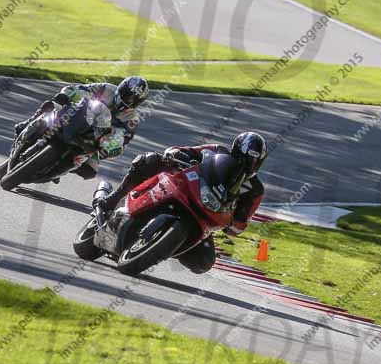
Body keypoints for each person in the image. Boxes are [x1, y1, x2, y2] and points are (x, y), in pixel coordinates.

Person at [94, 132, 268, 273]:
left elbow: (241, 222)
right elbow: (186, 151)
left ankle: (167, 246)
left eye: (254, 161)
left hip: (206, 213)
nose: (248, 164)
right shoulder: (216, 150)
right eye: (246, 158)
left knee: (204, 263)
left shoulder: (256, 190)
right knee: (149, 160)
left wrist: (236, 223)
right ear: (236, 150)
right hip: (185, 189)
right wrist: (178, 154)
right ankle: (113, 198)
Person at [14, 77, 149, 180]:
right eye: (125, 96)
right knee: (51, 105)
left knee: (90, 170)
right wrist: (66, 95)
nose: (127, 102)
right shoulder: (106, 89)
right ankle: (29, 122)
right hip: (75, 119)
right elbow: (79, 90)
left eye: (132, 101)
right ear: (121, 88)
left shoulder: (132, 119)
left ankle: (59, 169)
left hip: (91, 141)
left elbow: (122, 143)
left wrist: (109, 148)